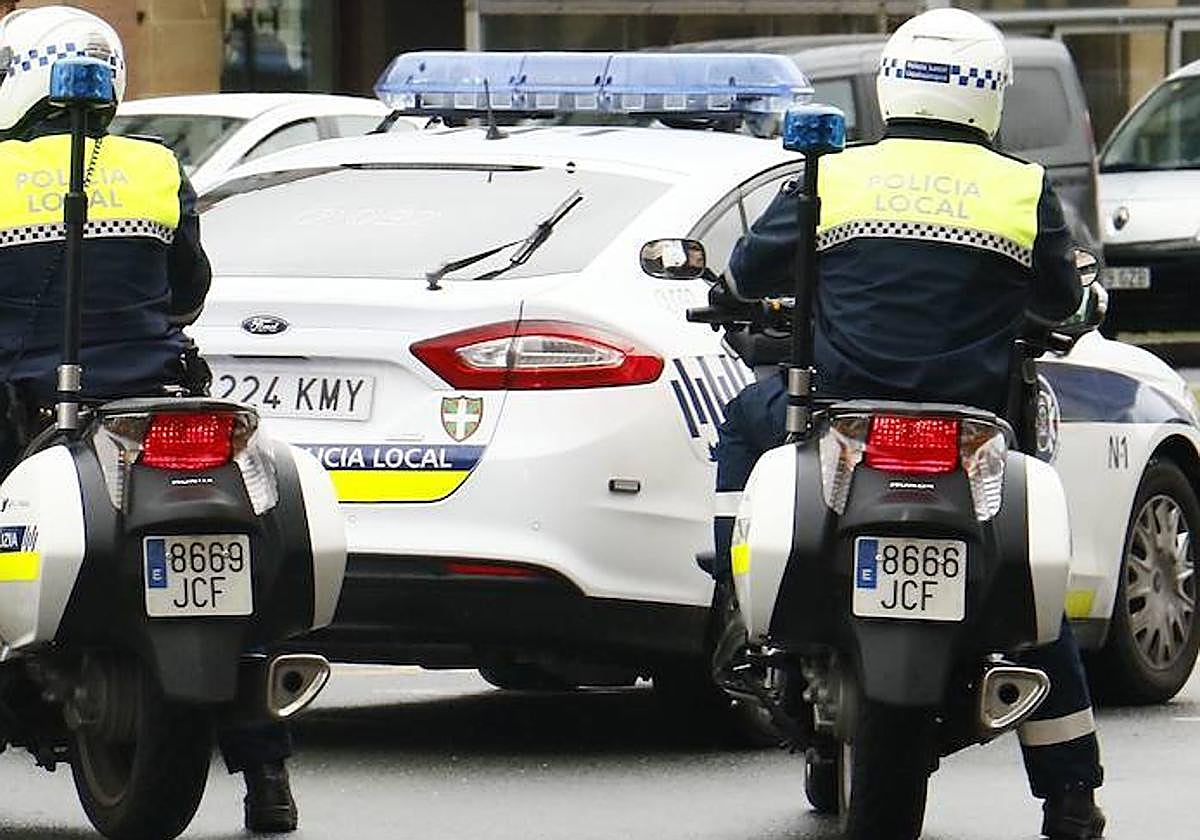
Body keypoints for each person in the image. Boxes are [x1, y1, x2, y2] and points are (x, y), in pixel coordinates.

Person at [709, 9, 1104, 840]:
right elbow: (1064, 303)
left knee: (747, 425)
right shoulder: (1020, 187)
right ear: (990, 95)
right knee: (1033, 590)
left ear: (893, 83)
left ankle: (733, 594)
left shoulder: (838, 175)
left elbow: (747, 271)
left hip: (844, 421)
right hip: (973, 433)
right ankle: (1070, 796)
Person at [0, 6, 298, 833]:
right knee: (232, 550)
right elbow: (188, 287)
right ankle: (266, 776)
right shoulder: (155, 166)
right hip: (149, 406)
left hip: (24, 406)